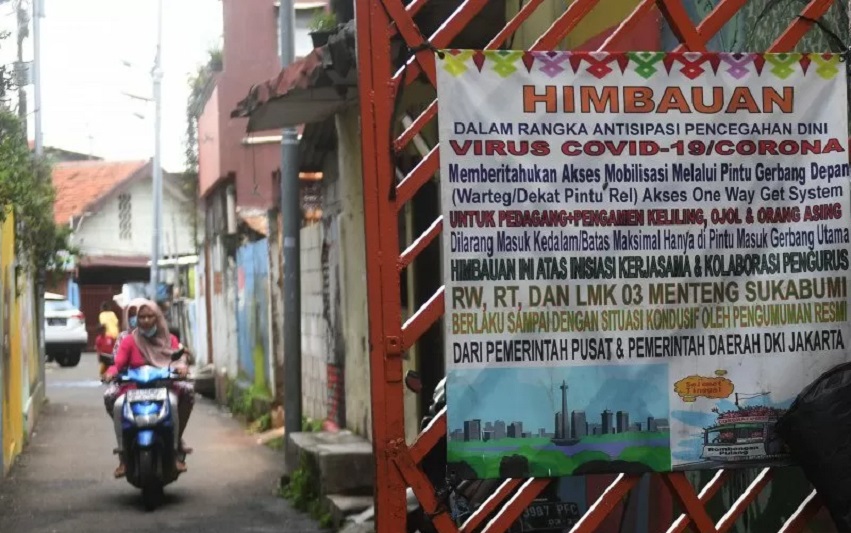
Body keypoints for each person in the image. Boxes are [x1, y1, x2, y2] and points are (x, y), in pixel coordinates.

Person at [103, 299, 195, 478]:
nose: (145, 321)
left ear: (157, 317)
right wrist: (110, 373)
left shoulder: (169, 339)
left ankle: (175, 447)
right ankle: (123, 455)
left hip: (164, 386)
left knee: (176, 402)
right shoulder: (129, 340)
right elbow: (118, 363)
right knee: (118, 404)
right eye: (141, 317)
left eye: (149, 316)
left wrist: (182, 368)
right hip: (133, 388)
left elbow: (179, 359)